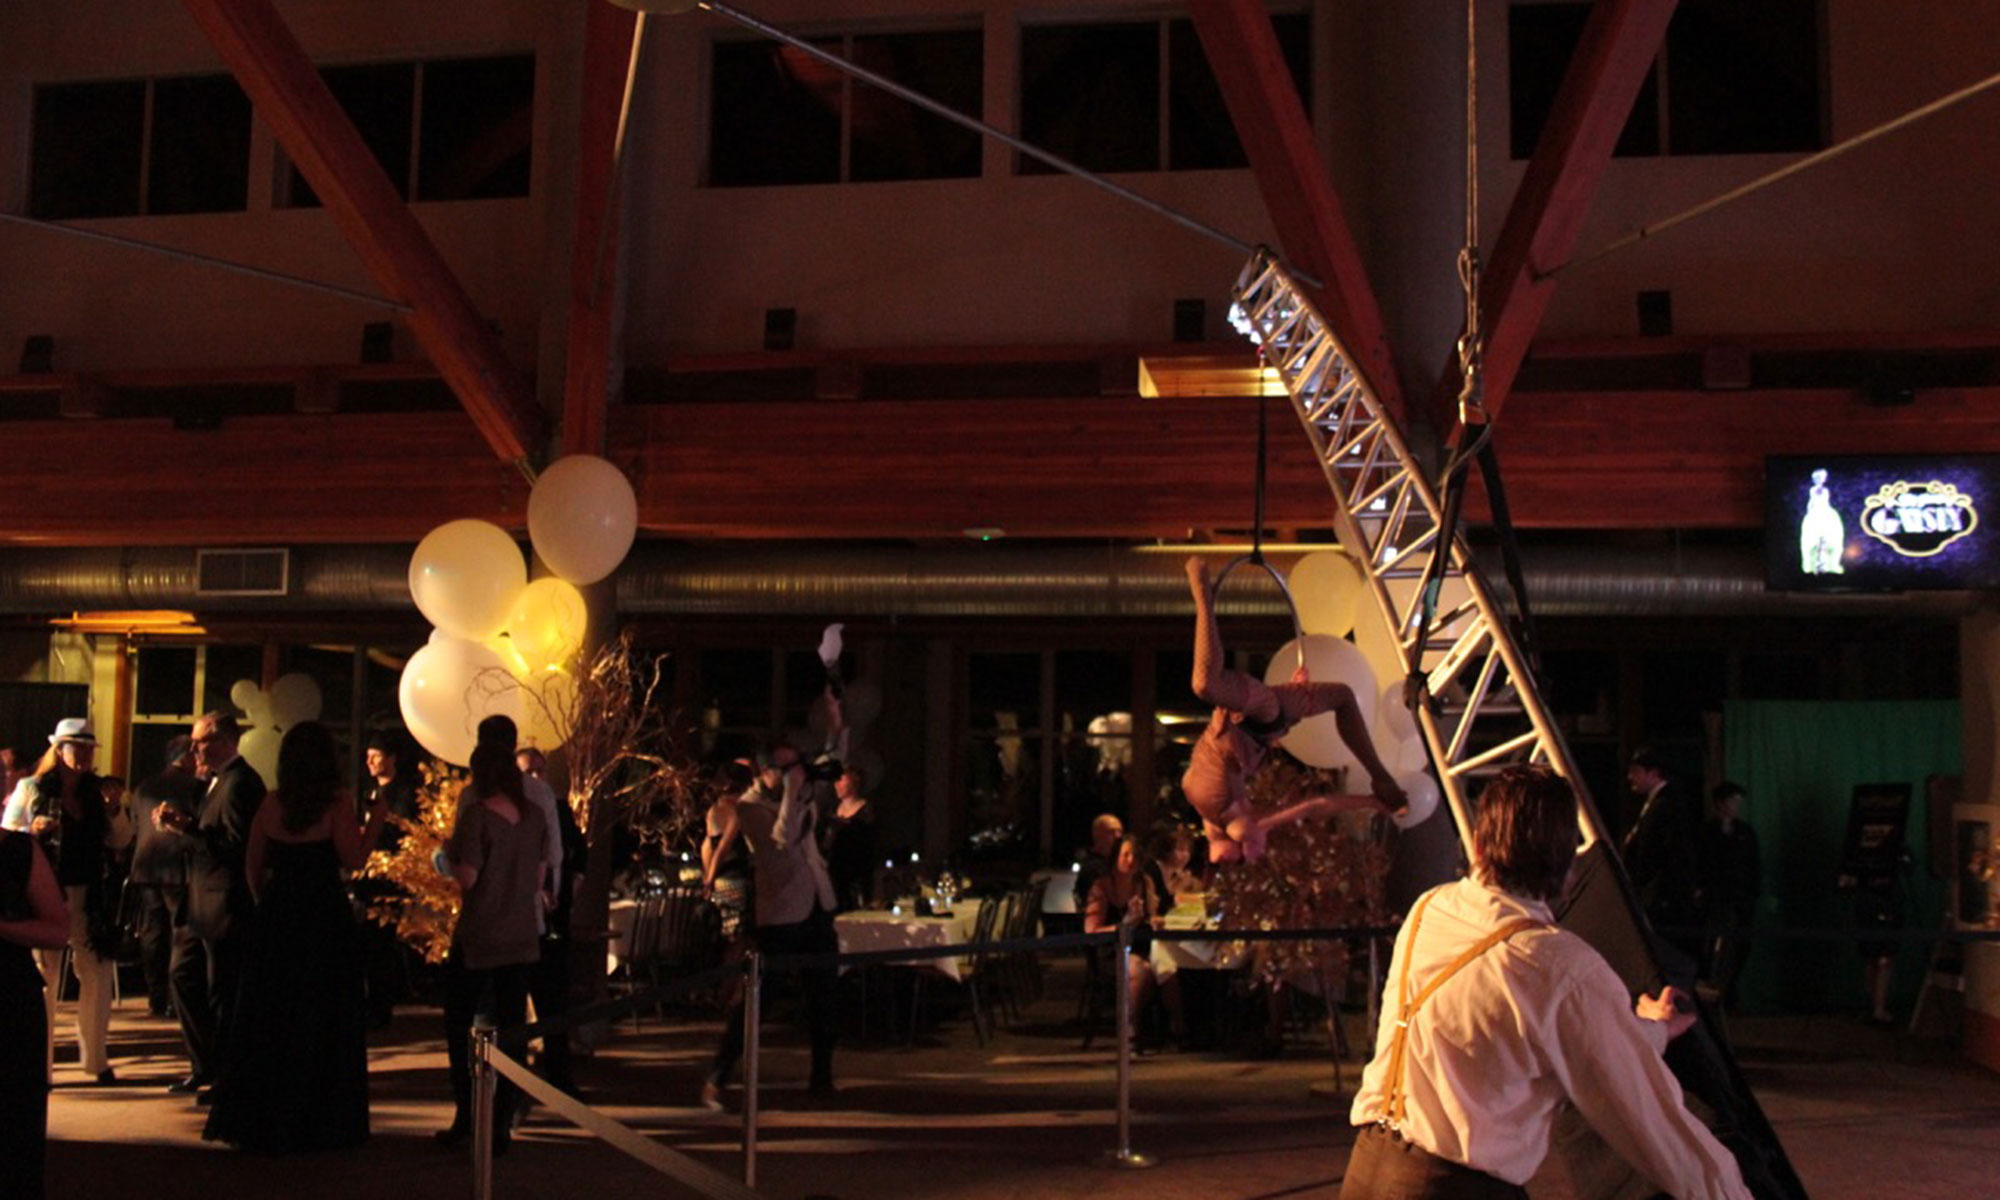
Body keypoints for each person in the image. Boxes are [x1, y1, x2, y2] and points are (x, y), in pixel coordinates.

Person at [1343, 764, 1749, 1200]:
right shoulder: (1558, 967)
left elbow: (1525, 1026)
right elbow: (1654, 1125)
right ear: (1568, 865)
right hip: (1454, 1189)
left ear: (1478, 845)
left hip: (1366, 1171)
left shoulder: (1430, 909)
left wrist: (1649, 1031)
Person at [202, 721, 388, 1152]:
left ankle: (264, 1117)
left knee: (271, 1013)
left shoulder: (271, 802)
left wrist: (266, 905)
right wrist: (375, 822)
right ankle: (321, 1119)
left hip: (279, 915)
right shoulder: (337, 802)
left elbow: (253, 865)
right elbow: (353, 859)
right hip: (323, 916)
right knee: (322, 1013)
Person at [1183, 557, 1406, 863]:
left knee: (1206, 685)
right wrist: (1370, 801)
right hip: (1267, 721)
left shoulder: (1215, 813)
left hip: (1250, 720)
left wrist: (1370, 800)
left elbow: (1314, 805)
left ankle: (1203, 599)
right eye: (1249, 855)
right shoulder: (1240, 820)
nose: (1253, 851)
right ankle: (1380, 775)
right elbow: (1316, 805)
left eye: (1244, 856)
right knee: (1343, 696)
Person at [704, 710, 843, 1109]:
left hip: (816, 904)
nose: (790, 775)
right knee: (759, 1000)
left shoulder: (798, 791)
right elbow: (784, 838)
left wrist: (835, 721)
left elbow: (833, 759)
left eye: (794, 766)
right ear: (764, 772)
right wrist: (793, 793)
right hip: (781, 913)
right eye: (782, 769)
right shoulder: (748, 807)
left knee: (824, 996)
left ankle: (822, 1076)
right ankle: (718, 1075)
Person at [435, 741, 549, 1150]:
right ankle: (503, 1121)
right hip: (521, 934)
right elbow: (539, 876)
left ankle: (467, 1114)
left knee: (460, 1024)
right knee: (513, 1028)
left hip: (481, 933)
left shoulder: (478, 816)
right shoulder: (534, 816)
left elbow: (468, 877)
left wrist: (446, 857)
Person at [2, 718, 128, 1084]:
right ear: (59, 750)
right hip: (46, 892)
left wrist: (114, 810)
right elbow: (9, 835)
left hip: (89, 892)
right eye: (78, 747)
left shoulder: (97, 792)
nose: (86, 755)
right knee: (46, 977)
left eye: (90, 748)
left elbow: (121, 840)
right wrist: (33, 829)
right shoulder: (32, 787)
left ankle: (96, 1061)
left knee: (97, 974)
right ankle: (41, 1066)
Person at [155, 711, 267, 1098]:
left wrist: (188, 829)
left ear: (223, 741)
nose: (194, 749)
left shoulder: (241, 783)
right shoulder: (216, 781)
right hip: (200, 903)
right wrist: (183, 826)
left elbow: (237, 847)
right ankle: (204, 1065)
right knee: (182, 976)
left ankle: (225, 1075)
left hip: (224, 905)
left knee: (222, 991)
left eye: (200, 742)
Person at [477, 716, 576, 1097]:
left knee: (499, 1007)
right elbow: (554, 854)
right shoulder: (537, 797)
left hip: (498, 916)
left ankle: (502, 1093)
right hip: (528, 913)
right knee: (532, 1002)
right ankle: (533, 1087)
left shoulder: (477, 796)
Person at [0, 816, 70, 1200]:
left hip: (10, 1001)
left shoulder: (18, 850)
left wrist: (4, 927)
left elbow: (58, 931)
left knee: (14, 1127)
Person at [1083, 833, 1186, 1051]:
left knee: (1168, 967)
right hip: (1111, 950)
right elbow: (1091, 931)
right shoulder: (1102, 887)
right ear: (1115, 857)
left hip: (1142, 945)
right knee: (1140, 970)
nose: (1130, 861)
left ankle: (1177, 1028)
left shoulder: (1144, 883)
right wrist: (1124, 924)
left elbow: (1150, 916)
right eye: (1125, 855)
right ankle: (1131, 1029)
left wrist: (1154, 920)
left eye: (1135, 856)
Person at [126, 736, 203, 1018]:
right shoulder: (195, 788)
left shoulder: (144, 787)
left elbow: (135, 825)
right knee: (179, 934)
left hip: (146, 868)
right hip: (178, 868)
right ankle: (175, 996)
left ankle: (155, 996)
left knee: (152, 933)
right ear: (187, 757)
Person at [1623, 746, 1703, 961]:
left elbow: (1659, 856)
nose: (1630, 777)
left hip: (1662, 901)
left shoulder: (1666, 806)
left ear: (1653, 773)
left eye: (1636, 771)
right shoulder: (1659, 804)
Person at [1698, 782, 1760, 1007]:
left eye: (1738, 802)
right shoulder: (1707, 833)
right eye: (1732, 801)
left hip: (1742, 899)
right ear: (1720, 803)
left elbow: (1754, 864)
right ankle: (1713, 992)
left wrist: (1753, 892)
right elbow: (1702, 865)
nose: (1736, 806)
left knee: (1742, 945)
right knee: (1714, 946)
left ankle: (1731, 990)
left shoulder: (1745, 832)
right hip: (1717, 899)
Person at [819, 762, 877, 912]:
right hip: (832, 874)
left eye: (841, 780)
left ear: (854, 780)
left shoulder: (867, 812)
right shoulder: (831, 810)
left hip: (856, 876)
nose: (836, 785)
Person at [1072, 812, 1125, 914]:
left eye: (1120, 831)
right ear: (1097, 835)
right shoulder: (1092, 868)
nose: (1118, 836)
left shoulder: (1115, 863)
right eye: (1112, 832)